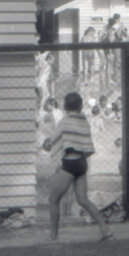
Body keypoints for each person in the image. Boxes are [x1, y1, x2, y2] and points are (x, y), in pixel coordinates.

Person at [42, 92, 112, 242]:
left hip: (69, 163)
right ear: (80, 106)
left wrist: (49, 145)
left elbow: (55, 140)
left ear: (65, 106)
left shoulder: (64, 121)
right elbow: (85, 143)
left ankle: (53, 236)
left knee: (53, 199)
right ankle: (104, 229)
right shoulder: (84, 121)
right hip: (82, 163)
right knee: (83, 200)